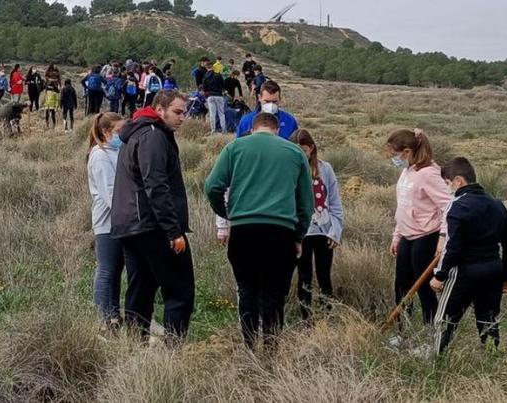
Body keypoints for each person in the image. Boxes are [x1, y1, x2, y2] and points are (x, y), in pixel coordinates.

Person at [205, 112, 312, 349]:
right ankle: (272, 349)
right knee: (275, 295)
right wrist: (299, 235)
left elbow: (212, 186)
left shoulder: (235, 148)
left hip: (244, 229)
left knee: (247, 291)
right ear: (277, 130)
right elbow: (306, 202)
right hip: (281, 231)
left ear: (253, 129)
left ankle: (250, 347)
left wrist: (226, 213)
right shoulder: (294, 152)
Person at [110, 91, 194, 342]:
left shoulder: (137, 133)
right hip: (151, 225)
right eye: (177, 112)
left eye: (184, 112)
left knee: (141, 288)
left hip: (131, 225)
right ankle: (173, 350)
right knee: (180, 289)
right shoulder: (153, 136)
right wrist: (173, 231)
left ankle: (135, 345)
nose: (183, 118)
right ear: (160, 109)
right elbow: (156, 185)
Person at [430, 157, 507, 355]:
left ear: (458, 181)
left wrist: (440, 275)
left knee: (444, 320)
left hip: (464, 272)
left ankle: (435, 360)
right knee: (488, 319)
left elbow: (453, 246)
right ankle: (491, 358)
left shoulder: (457, 206)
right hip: (493, 270)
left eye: (447, 183)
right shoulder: (498, 205)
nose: (447, 188)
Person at [388, 128, 451, 334]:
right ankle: (402, 333)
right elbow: (403, 206)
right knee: (401, 286)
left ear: (407, 152)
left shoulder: (430, 174)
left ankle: (430, 332)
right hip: (407, 235)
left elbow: (449, 207)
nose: (394, 159)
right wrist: (397, 236)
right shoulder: (408, 171)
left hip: (426, 236)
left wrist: (442, 237)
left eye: (395, 155)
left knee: (423, 287)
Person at [290, 128, 343, 321]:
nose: (300, 154)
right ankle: (306, 319)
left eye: (303, 150)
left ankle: (327, 316)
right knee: (304, 277)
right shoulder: (288, 169)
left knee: (324, 277)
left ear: (311, 148)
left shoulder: (325, 169)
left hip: (323, 231)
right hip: (300, 233)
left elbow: (335, 202)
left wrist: (335, 231)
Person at [87, 112, 126, 327]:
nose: (122, 135)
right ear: (105, 131)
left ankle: (114, 315)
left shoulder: (116, 151)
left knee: (116, 270)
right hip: (107, 222)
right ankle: (104, 319)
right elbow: (110, 191)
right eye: (119, 131)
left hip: (121, 221)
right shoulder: (100, 155)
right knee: (106, 270)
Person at [202, 67, 227, 134]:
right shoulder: (218, 75)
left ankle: (213, 130)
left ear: (207, 68)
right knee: (221, 113)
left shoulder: (205, 76)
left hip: (210, 96)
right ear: (213, 68)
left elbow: (204, 88)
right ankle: (223, 130)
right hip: (219, 96)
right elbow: (223, 85)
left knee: (212, 114)